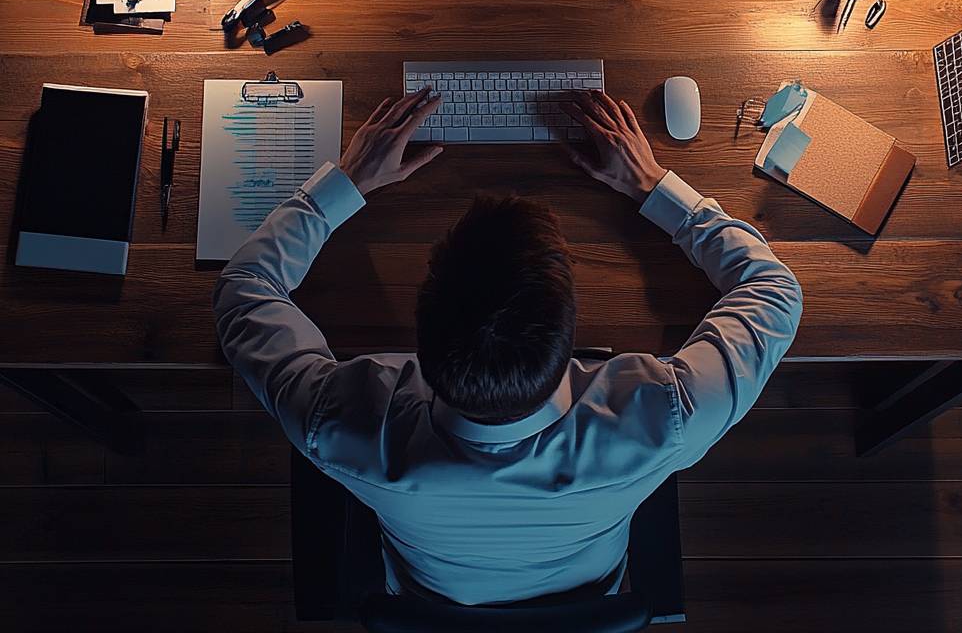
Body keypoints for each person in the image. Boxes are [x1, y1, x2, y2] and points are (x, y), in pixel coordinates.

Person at [214, 86, 802, 606]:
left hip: (425, 595)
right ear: (572, 338)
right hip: (589, 593)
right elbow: (773, 287)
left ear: (418, 339)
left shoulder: (338, 421)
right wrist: (653, 188)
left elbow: (244, 289)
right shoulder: (668, 418)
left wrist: (345, 181)